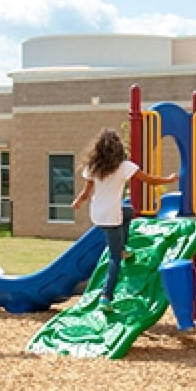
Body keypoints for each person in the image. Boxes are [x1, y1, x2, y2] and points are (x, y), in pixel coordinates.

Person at [71, 128, 177, 313]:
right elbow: (149, 180)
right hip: (112, 217)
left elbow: (86, 192)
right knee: (114, 258)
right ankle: (106, 297)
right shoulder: (124, 166)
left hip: (97, 214)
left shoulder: (93, 167)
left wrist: (78, 201)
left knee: (128, 212)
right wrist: (168, 180)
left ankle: (123, 248)